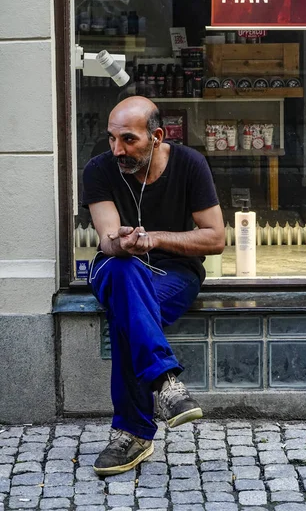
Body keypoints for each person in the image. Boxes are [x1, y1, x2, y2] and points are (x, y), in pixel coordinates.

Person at [82, 96, 225, 476]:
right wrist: (123, 243)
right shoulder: (99, 169)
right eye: (112, 139)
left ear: (157, 136)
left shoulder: (190, 164)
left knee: (129, 315)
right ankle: (165, 382)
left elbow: (215, 238)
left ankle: (133, 433)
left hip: (174, 274)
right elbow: (106, 239)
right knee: (124, 271)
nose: (117, 149)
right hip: (117, 269)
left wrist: (156, 239)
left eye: (128, 140)